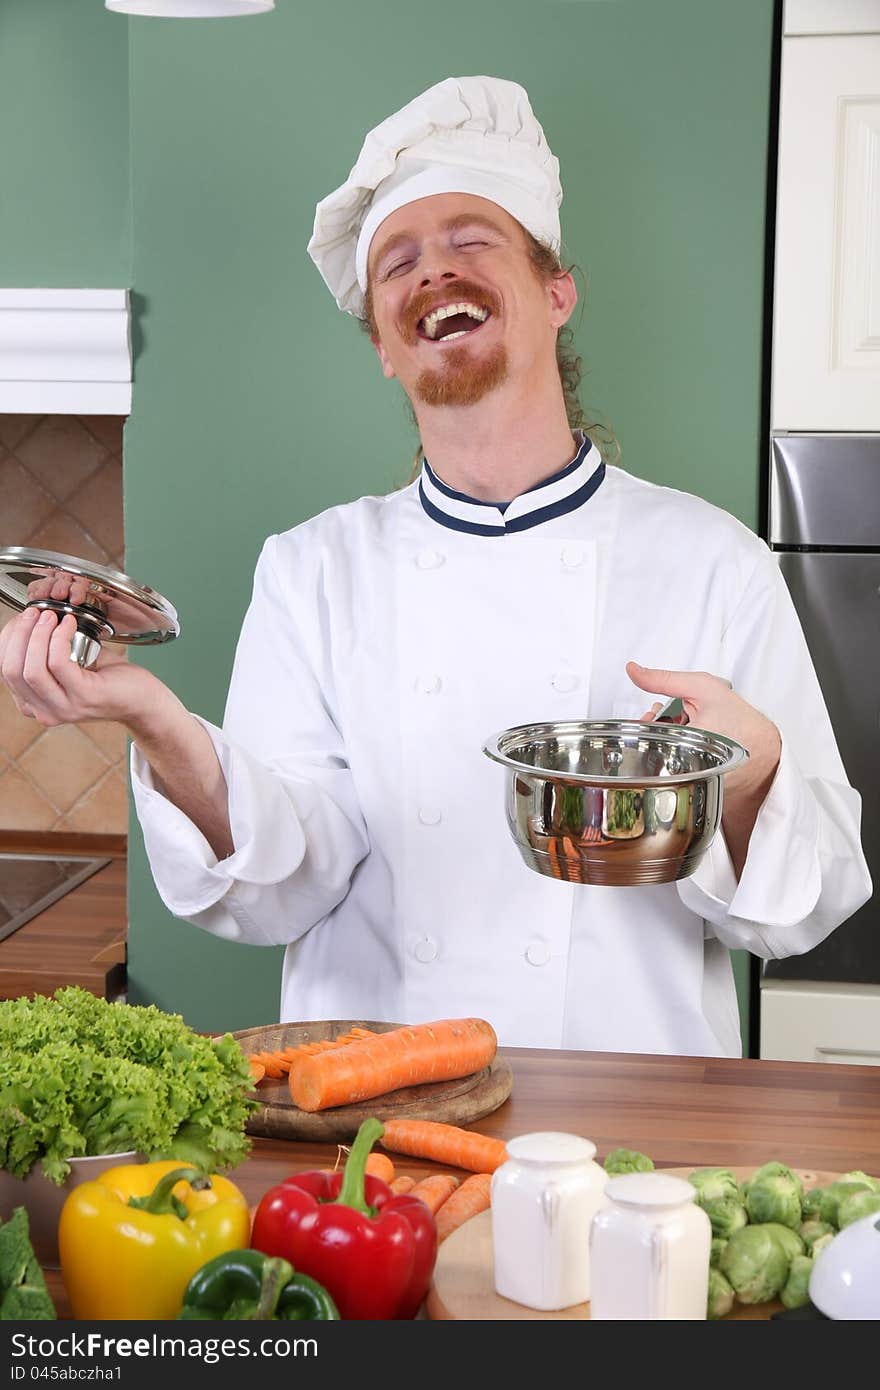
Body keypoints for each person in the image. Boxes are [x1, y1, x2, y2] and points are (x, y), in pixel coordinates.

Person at [0, 76, 870, 1056]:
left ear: (555, 291)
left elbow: (808, 906)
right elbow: (280, 884)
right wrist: (156, 721)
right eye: (397, 264)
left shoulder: (713, 562)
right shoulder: (313, 570)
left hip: (632, 1127)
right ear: (382, 343)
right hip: (379, 1115)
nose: (432, 274)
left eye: (470, 240)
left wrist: (747, 784)